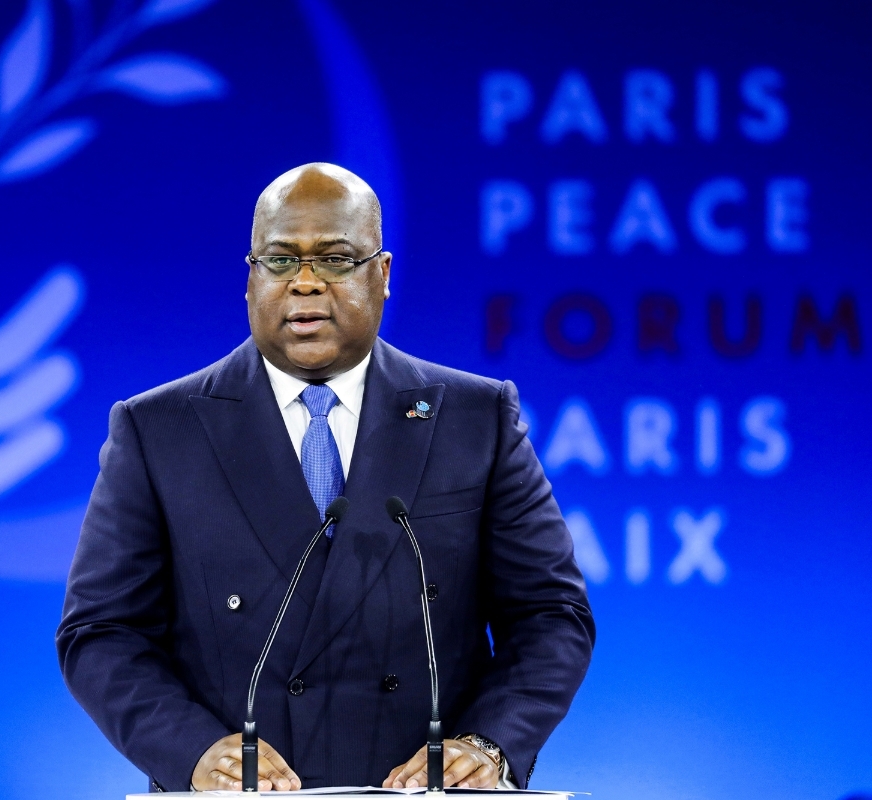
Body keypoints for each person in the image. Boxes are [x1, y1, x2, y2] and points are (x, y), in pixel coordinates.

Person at [55, 163, 594, 792]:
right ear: (250, 278)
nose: (305, 283)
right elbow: (100, 632)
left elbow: (552, 614)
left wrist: (488, 744)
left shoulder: (474, 418)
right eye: (280, 261)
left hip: (426, 797)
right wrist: (194, 751)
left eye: (335, 260)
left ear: (382, 275)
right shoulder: (159, 430)